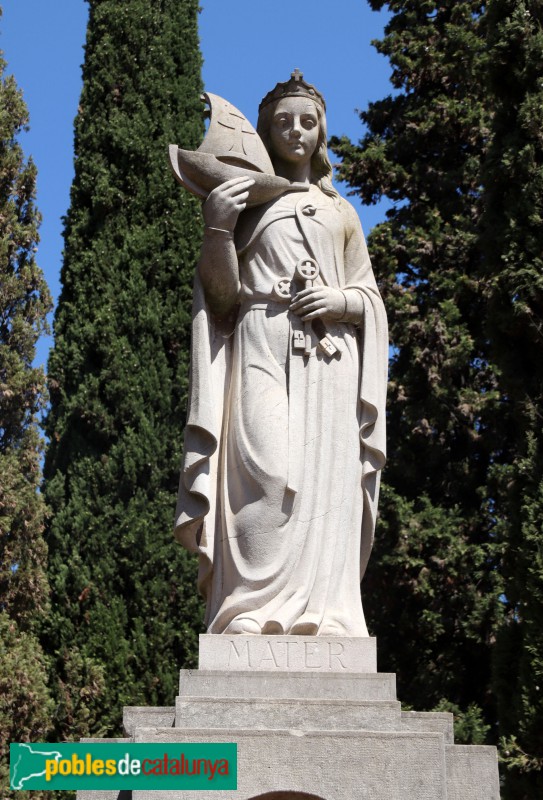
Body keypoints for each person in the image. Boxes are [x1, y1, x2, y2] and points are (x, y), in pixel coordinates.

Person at [174, 72, 388, 636]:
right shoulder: (247, 202)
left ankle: (327, 615)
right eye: (283, 122)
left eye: (308, 122)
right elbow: (220, 300)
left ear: (321, 135)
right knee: (265, 474)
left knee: (324, 482)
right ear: (265, 133)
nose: (296, 130)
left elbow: (370, 297)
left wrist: (339, 299)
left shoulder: (341, 212)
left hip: (328, 357)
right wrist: (218, 228)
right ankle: (245, 610)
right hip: (260, 343)